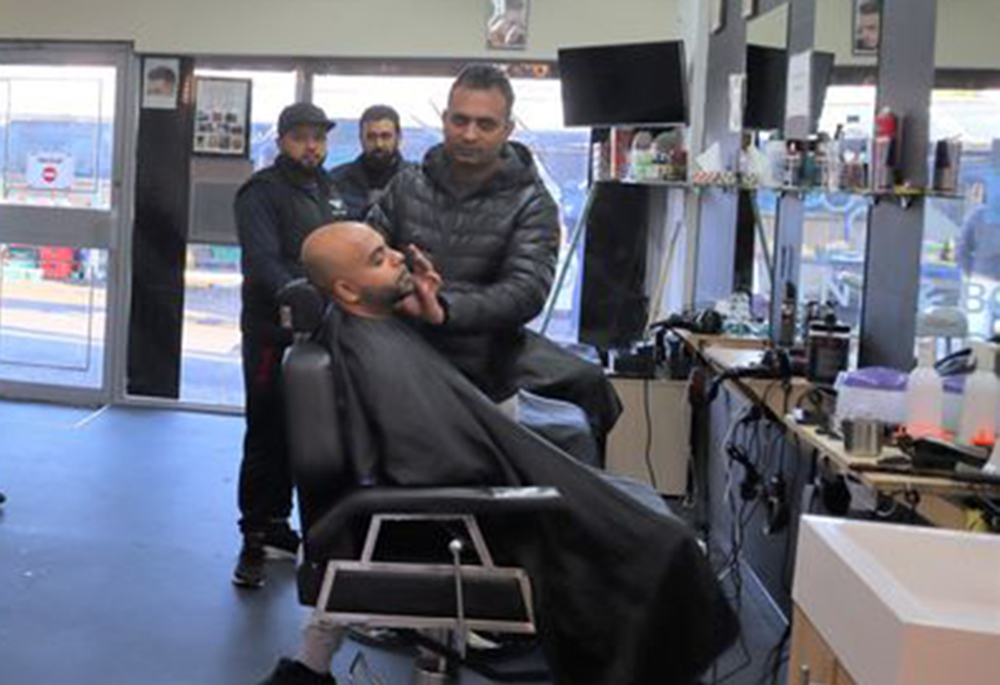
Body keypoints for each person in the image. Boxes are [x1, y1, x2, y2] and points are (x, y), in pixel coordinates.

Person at [257, 222, 737, 685]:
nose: (400, 256)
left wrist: (433, 309)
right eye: (379, 259)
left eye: (388, 247)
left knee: (637, 509)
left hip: (471, 499)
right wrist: (520, 483)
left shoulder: (375, 328)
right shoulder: (370, 352)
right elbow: (430, 462)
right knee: (662, 544)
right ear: (347, 291)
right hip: (473, 517)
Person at [368, 64, 621, 446]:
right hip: (403, 354)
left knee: (590, 389)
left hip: (488, 364)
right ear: (445, 120)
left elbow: (525, 291)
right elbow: (364, 253)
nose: (469, 134)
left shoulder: (533, 204)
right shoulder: (405, 187)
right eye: (460, 120)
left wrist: (444, 308)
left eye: (485, 125)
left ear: (508, 129)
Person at [231, 102, 349, 589]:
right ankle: (256, 537)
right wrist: (301, 290)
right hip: (272, 331)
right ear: (281, 140)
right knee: (268, 431)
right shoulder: (261, 193)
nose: (311, 146)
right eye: (301, 137)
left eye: (318, 138)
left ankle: (292, 532)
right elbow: (263, 263)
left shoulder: (330, 190)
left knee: (315, 435)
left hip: (324, 330)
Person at [328, 105, 413, 219]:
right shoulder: (336, 181)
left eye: (386, 136)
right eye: (371, 137)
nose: (379, 144)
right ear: (360, 138)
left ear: (399, 138)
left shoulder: (417, 181)